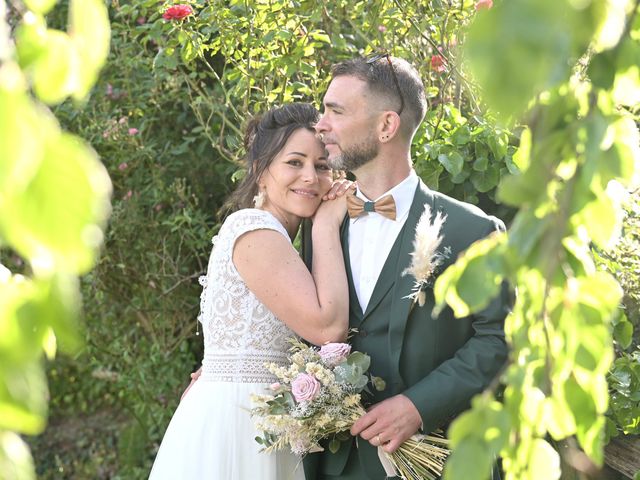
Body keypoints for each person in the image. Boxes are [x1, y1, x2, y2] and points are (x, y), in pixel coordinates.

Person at [303, 55, 510, 480]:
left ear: (386, 126)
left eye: (335, 111)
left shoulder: (473, 230)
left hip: (439, 461)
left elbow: (500, 338)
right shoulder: (321, 224)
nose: (320, 124)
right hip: (337, 464)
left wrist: (420, 405)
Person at [149, 103, 353, 480]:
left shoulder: (278, 239)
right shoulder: (255, 229)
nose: (309, 176)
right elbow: (328, 329)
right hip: (239, 423)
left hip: (265, 416)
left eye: (322, 166)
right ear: (261, 172)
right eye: (294, 162)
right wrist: (326, 224)